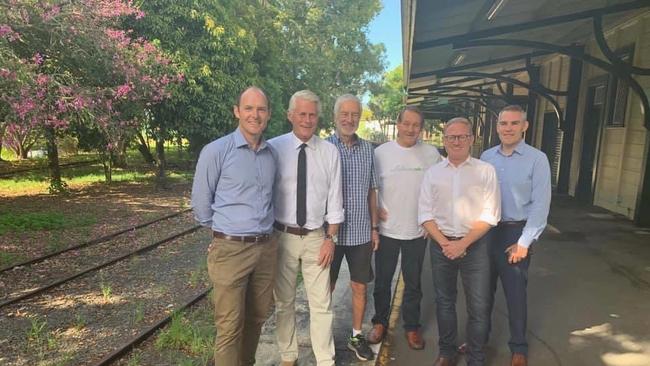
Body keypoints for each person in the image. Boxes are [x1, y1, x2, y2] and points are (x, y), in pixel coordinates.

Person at [191, 86, 277, 366]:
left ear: (268, 114)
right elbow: (201, 204)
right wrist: (222, 234)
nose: (255, 115)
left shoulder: (271, 154)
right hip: (230, 250)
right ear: (237, 112)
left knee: (256, 318)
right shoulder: (216, 151)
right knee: (229, 326)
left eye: (261, 109)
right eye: (249, 108)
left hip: (265, 249)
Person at [269, 90, 344, 366]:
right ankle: (289, 356)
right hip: (281, 237)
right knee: (283, 303)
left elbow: (336, 200)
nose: (307, 119)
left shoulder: (329, 152)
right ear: (290, 115)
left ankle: (325, 360)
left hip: (316, 238)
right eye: (302, 113)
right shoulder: (273, 149)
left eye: (312, 114)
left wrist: (330, 239)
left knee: (321, 305)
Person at [419, 117, 501, 366]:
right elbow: (424, 214)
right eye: (451, 137)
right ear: (444, 141)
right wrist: (446, 243)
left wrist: (462, 243)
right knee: (445, 302)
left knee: (478, 305)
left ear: (471, 139)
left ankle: (476, 357)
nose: (456, 141)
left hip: (475, 247)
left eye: (462, 136)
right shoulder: (432, 173)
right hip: (441, 245)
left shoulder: (485, 171)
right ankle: (447, 353)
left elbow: (491, 214)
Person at [480, 105, 551, 366]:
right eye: (503, 123)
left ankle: (518, 346)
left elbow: (541, 205)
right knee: (482, 293)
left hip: (515, 233)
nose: (508, 128)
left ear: (525, 126)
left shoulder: (537, 159)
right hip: (487, 232)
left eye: (514, 123)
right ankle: (480, 340)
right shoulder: (487, 157)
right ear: (497, 126)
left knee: (515, 294)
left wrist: (524, 242)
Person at [367, 106, 441, 350]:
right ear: (398, 124)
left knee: (413, 282)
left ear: (421, 128)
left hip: (417, 231)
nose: (411, 129)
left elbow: (440, 189)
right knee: (383, 280)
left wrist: (432, 222)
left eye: (416, 125)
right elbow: (370, 187)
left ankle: (411, 326)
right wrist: (375, 210)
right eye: (406, 123)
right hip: (388, 229)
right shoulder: (381, 153)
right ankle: (380, 322)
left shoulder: (431, 154)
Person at [326, 94, 379, 361]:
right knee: (328, 286)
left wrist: (374, 228)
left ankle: (356, 335)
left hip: (360, 233)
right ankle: (323, 335)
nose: (349, 119)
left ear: (360, 118)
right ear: (335, 117)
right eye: (344, 114)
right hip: (330, 235)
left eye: (354, 115)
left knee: (360, 287)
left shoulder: (369, 150)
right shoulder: (323, 148)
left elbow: (372, 191)